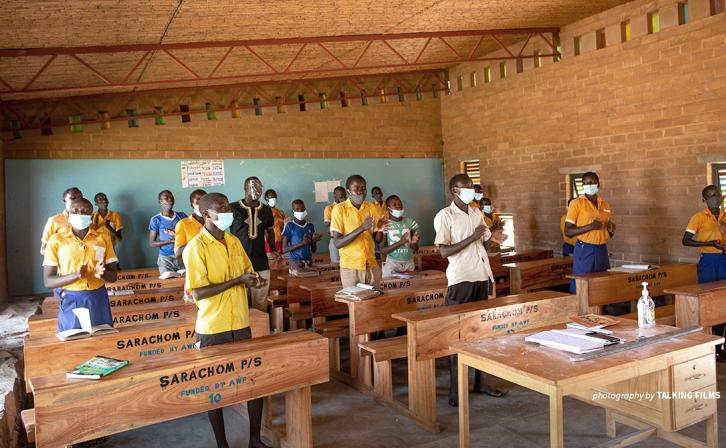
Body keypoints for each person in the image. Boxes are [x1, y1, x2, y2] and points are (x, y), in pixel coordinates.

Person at [183, 192, 270, 448]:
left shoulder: (232, 241)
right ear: (206, 213)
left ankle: (255, 439)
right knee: (214, 389)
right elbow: (198, 292)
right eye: (221, 208)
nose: (227, 211)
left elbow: (247, 272)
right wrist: (238, 282)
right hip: (214, 326)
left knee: (254, 382)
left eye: (227, 206)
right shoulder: (196, 247)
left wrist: (255, 280)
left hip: (240, 321)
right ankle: (223, 445)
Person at [434, 173, 508, 407]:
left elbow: (483, 241)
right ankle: (456, 388)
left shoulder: (476, 212)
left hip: (481, 275)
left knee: (481, 333)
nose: (470, 190)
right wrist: (472, 237)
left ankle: (480, 381)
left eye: (472, 186)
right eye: (465, 187)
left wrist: (493, 237)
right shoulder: (445, 215)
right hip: (461, 279)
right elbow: (444, 251)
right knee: (458, 335)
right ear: (455, 191)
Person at [42, 198, 118, 332]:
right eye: (75, 210)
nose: (80, 213)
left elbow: (113, 277)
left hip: (98, 297)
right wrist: (76, 276)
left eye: (85, 211)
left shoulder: (103, 238)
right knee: (73, 341)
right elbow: (48, 281)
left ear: (91, 214)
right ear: (69, 213)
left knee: (102, 339)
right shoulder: (56, 240)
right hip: (72, 297)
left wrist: (102, 273)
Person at [682, 185, 726, 360]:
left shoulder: (724, 217)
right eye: (710, 196)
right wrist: (709, 245)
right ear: (704, 200)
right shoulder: (698, 218)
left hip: (724, 260)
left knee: (723, 303)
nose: (715, 197)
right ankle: (711, 346)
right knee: (708, 304)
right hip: (708, 261)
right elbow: (686, 241)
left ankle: (720, 346)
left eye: (717, 194)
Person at [564, 172, 616, 296]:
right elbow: (568, 231)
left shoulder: (605, 205)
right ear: (582, 186)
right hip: (585, 248)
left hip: (602, 248)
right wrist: (590, 226)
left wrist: (611, 230)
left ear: (599, 184)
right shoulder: (576, 204)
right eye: (586, 183)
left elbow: (604, 229)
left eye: (592, 182)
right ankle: (581, 311)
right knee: (583, 284)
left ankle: (600, 311)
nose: (589, 185)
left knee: (601, 283)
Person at [231, 177, 279, 311]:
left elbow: (270, 232)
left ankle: (261, 331)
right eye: (253, 187)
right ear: (245, 189)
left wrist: (274, 249)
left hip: (261, 262)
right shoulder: (233, 208)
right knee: (241, 303)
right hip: (239, 263)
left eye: (259, 188)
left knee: (260, 302)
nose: (256, 190)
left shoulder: (266, 210)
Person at [330, 175, 386, 288]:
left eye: (363, 187)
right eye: (356, 188)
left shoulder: (370, 207)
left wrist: (380, 229)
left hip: (371, 264)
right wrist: (361, 228)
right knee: (355, 304)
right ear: (348, 191)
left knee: (375, 302)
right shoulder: (340, 209)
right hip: (351, 268)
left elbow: (377, 239)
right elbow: (337, 243)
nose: (361, 191)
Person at [149, 190, 187, 279]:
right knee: (168, 281)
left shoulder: (181, 216)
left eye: (171, 198)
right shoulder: (156, 220)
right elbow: (152, 243)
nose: (169, 200)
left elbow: (189, 235)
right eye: (166, 198)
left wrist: (175, 236)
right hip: (166, 259)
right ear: (160, 202)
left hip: (182, 256)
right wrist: (168, 241)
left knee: (185, 282)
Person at [380, 195, 419, 278]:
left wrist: (413, 242)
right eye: (394, 204)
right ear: (388, 208)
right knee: (392, 290)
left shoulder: (410, 223)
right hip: (392, 264)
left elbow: (415, 248)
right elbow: (382, 250)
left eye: (400, 204)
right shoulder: (385, 225)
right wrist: (400, 242)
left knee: (410, 290)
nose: (398, 206)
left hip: (409, 263)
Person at [282, 199, 321, 274]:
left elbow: (313, 250)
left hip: (308, 262)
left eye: (302, 208)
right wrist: (302, 243)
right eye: (297, 209)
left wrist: (314, 242)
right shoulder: (289, 226)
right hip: (295, 263)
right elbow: (284, 249)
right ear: (293, 210)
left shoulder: (310, 226)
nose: (300, 211)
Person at [40, 187, 83, 255]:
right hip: (64, 264)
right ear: (64, 201)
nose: (77, 201)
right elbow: (43, 250)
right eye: (73, 198)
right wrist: (64, 255)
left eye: (80, 198)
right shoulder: (54, 220)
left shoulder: (88, 219)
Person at [174, 189, 207, 262]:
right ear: (192, 205)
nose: (202, 204)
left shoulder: (214, 221)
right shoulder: (183, 223)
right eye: (198, 201)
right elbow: (178, 254)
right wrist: (199, 239)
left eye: (204, 201)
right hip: (193, 265)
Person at [324, 187, 347, 264]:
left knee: (348, 264)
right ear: (335, 196)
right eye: (341, 196)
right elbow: (328, 226)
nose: (343, 198)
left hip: (348, 239)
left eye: (344, 196)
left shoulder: (348, 207)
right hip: (335, 239)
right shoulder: (330, 208)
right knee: (336, 264)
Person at [264, 189, 286, 254]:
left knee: (280, 261)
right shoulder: (263, 212)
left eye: (275, 197)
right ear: (266, 199)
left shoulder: (280, 212)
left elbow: (283, 228)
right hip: (267, 241)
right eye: (271, 197)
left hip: (279, 241)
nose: (274, 199)